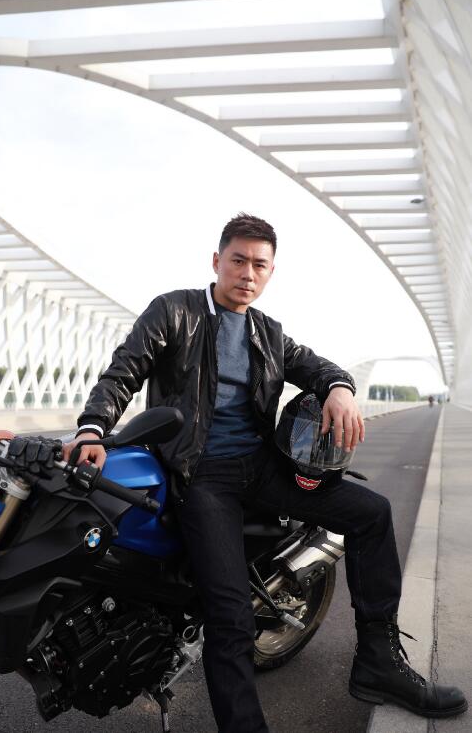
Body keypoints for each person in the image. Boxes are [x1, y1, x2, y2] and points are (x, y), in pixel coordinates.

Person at [63, 213, 467, 731]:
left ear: (271, 272)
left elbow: (317, 366)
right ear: (217, 261)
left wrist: (339, 387)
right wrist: (92, 429)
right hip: (200, 474)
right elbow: (123, 371)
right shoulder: (174, 311)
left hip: (260, 467)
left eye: (259, 265)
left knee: (372, 513)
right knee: (230, 617)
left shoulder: (268, 333)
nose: (247, 274)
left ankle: (378, 664)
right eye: (238, 261)